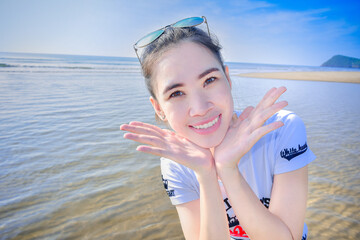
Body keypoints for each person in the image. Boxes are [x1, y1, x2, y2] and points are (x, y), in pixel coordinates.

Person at [120, 16, 315, 240]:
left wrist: (228, 169)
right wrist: (206, 173)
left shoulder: (281, 129)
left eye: (210, 80)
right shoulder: (176, 163)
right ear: (159, 108)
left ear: (228, 79)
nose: (200, 109)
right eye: (176, 93)